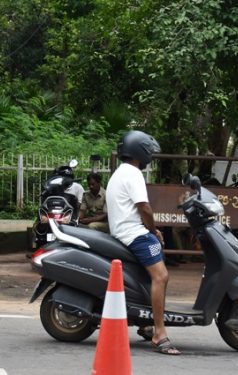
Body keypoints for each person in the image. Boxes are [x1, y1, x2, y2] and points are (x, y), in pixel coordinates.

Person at [105, 130, 180, 355]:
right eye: (148, 152)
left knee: (154, 265)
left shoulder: (120, 172)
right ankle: (159, 333)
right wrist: (153, 230)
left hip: (124, 231)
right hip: (133, 233)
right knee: (161, 275)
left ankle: (145, 321)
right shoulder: (133, 173)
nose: (150, 157)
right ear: (140, 152)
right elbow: (144, 207)